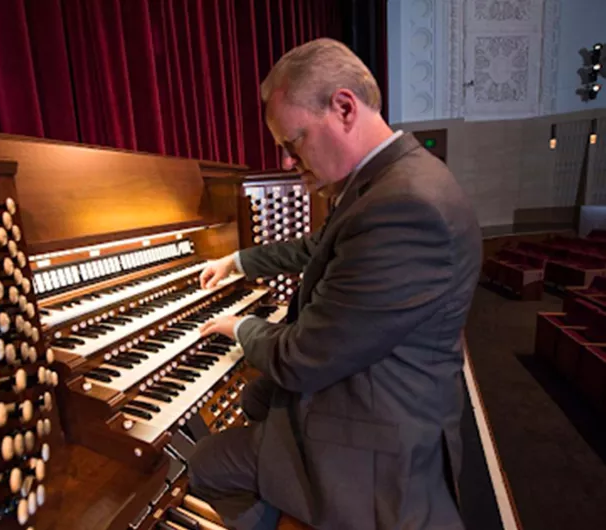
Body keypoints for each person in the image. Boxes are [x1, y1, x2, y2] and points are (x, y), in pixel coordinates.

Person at [188, 38, 482, 530]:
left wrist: (242, 327)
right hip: (382, 386)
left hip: (377, 439)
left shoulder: (404, 207)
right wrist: (238, 261)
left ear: (344, 107)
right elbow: (316, 249)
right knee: (254, 399)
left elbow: (302, 358)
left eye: (292, 142)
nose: (286, 162)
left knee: (203, 468)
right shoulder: (386, 183)